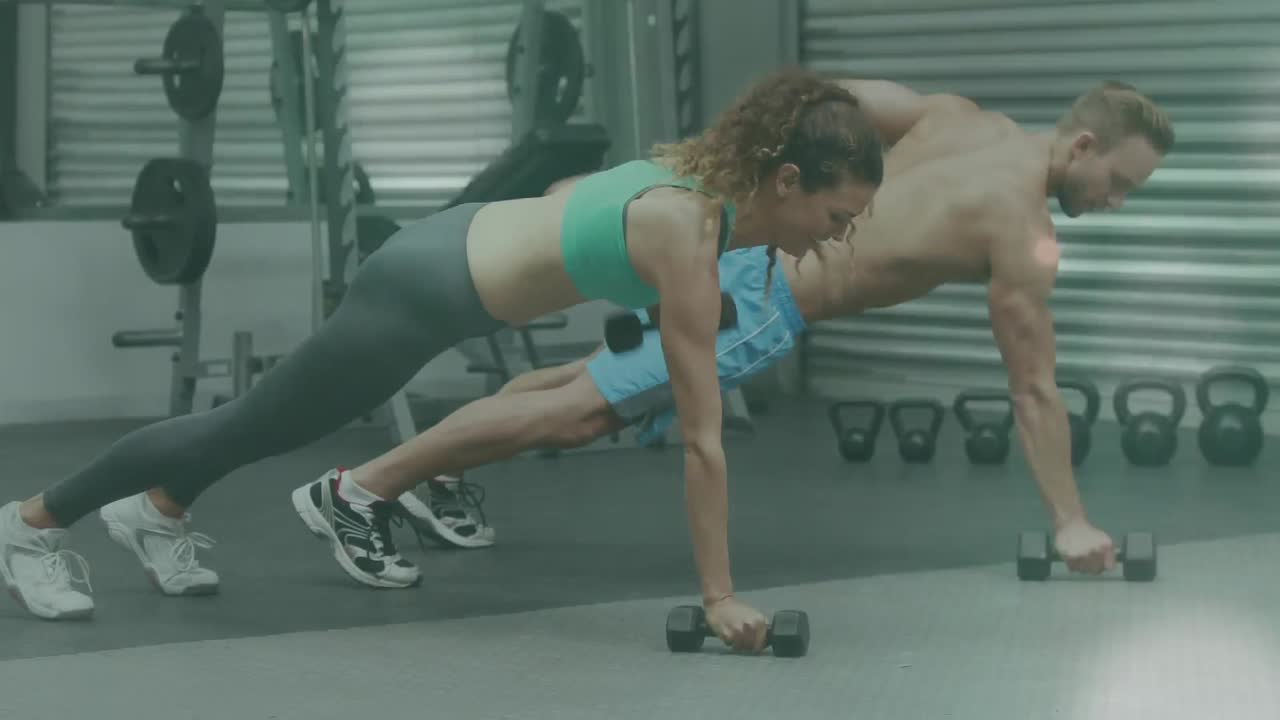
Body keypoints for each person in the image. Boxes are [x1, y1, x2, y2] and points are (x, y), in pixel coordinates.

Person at [303, 78, 1176, 654]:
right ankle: (365, 487)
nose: (1116, 203)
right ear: (1086, 144)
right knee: (587, 409)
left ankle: (424, 475)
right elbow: (1032, 386)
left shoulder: (959, 117)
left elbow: (813, 100)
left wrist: (712, 163)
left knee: (584, 382)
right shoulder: (1024, 232)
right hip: (767, 294)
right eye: (1121, 183)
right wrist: (1070, 521)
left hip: (738, 225)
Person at [0, 66, 884, 621]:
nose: (837, 237)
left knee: (262, 426)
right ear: (788, 177)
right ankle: (31, 526)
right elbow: (702, 439)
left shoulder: (708, 176)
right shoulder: (687, 232)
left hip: (452, 249)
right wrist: (720, 597)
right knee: (250, 425)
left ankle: (155, 512)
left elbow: (580, 195)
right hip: (421, 294)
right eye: (836, 217)